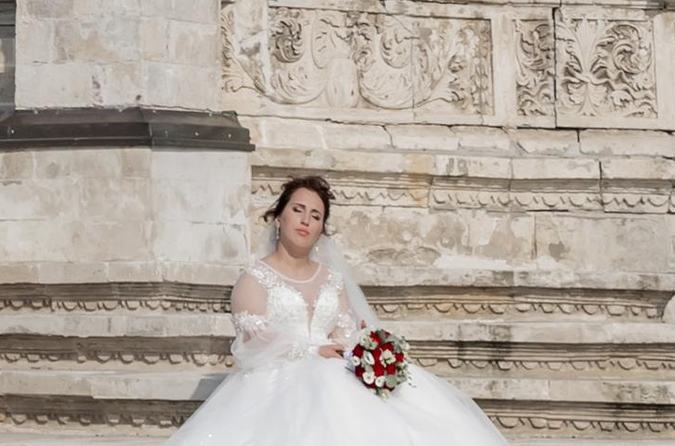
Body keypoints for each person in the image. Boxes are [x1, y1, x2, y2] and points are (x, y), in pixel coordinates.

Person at [172, 175, 511, 446]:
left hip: (334, 365)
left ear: (321, 231)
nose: (306, 220)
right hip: (276, 380)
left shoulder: (332, 279)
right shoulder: (255, 277)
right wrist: (311, 349)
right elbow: (255, 340)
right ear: (278, 218)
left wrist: (365, 352)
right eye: (298, 210)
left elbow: (346, 331)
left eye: (316, 216)